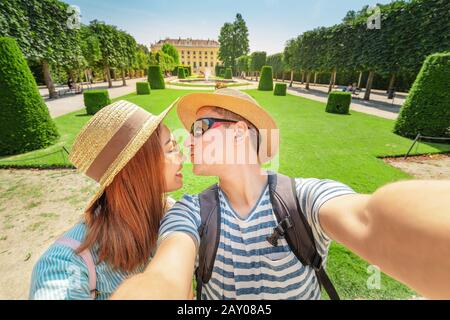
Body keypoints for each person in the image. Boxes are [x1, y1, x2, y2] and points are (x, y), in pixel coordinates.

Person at [112, 89, 450, 300]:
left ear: (240, 133)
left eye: (201, 128)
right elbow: (164, 276)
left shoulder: (303, 197)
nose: (189, 140)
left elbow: (370, 219)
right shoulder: (190, 213)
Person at [29, 99, 184, 300]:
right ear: (138, 167)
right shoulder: (64, 265)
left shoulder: (169, 212)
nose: (181, 157)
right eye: (171, 149)